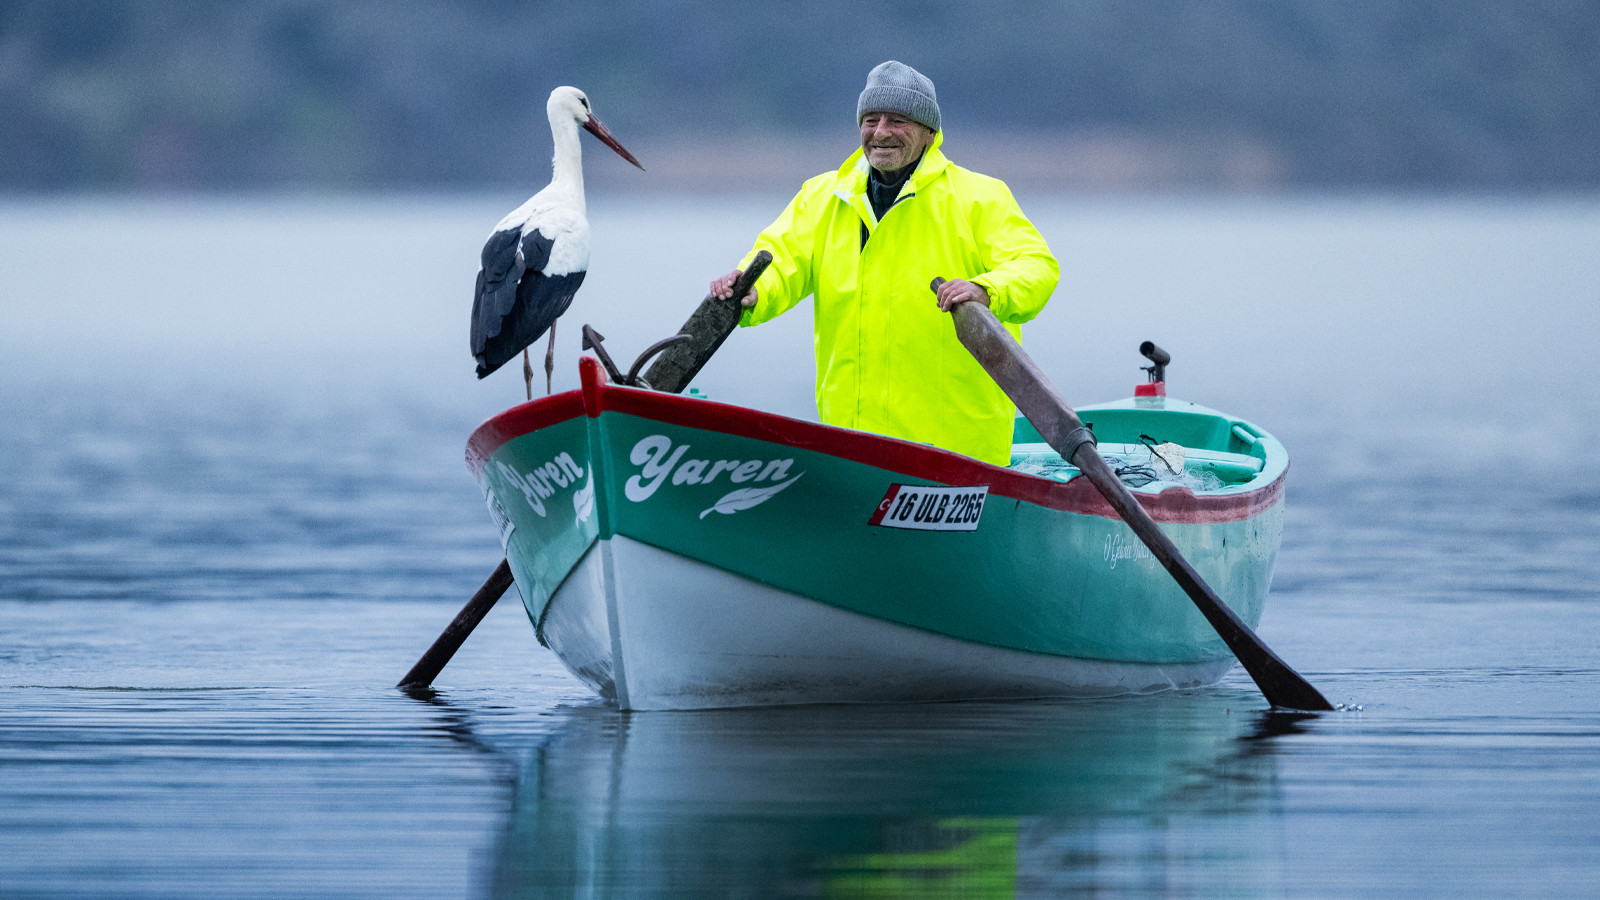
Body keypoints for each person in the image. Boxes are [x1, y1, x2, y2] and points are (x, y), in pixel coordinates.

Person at [711, 60, 1059, 466]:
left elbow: (1036, 266)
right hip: (852, 452)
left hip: (958, 458)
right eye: (871, 119)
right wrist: (753, 288)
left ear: (930, 132)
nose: (881, 132)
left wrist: (987, 290)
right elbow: (782, 258)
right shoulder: (822, 197)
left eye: (898, 120)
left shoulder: (980, 198)